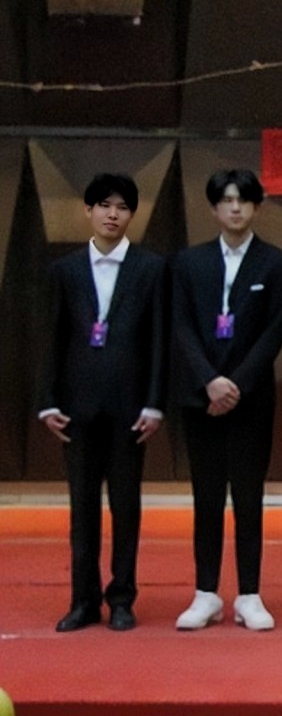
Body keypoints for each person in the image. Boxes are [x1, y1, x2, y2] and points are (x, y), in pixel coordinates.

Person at [37, 173, 167, 632]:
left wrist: (154, 403)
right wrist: (47, 401)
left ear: (132, 214)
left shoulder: (151, 269)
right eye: (104, 205)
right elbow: (51, 339)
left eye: (122, 207)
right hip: (77, 408)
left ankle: (123, 598)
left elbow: (159, 340)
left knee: (126, 507)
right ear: (88, 210)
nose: (113, 214)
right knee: (82, 507)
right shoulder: (65, 270)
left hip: (131, 410)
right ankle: (83, 600)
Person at [171, 168, 282, 631]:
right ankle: (206, 593)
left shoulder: (276, 262)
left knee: (247, 497)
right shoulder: (189, 262)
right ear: (213, 208)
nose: (235, 207)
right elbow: (182, 326)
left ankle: (249, 595)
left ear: (257, 206)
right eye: (226, 199)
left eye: (243, 199)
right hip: (200, 399)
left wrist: (235, 384)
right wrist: (210, 381)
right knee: (205, 497)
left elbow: (274, 332)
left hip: (251, 399)